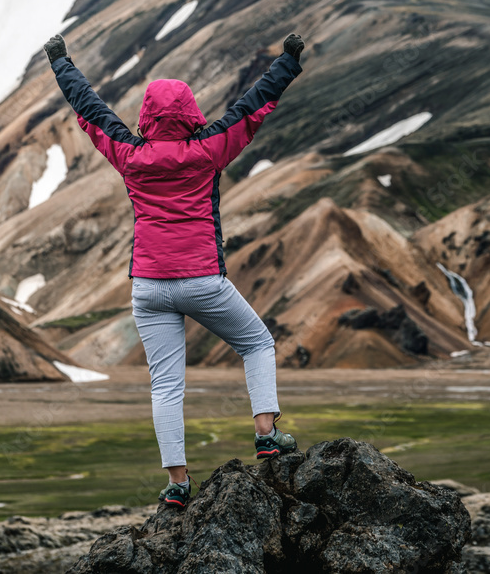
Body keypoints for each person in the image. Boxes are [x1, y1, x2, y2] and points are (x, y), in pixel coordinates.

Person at [43, 32, 305, 508]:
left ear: (145, 115)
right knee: (257, 343)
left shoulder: (129, 155)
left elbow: (90, 110)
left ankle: (178, 484)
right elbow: (255, 104)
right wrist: (287, 60)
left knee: (166, 385)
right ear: (191, 112)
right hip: (202, 279)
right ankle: (266, 433)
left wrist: (62, 63)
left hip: (148, 285)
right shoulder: (209, 149)